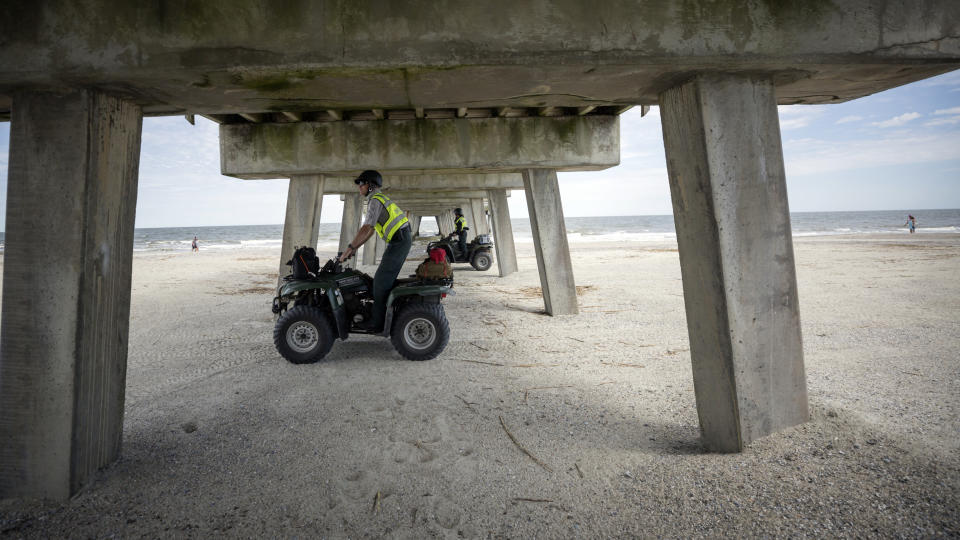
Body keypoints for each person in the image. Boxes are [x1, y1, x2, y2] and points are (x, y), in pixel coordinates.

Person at [338, 170, 412, 332]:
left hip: (400, 241)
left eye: (361, 183)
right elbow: (370, 231)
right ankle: (380, 314)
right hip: (398, 240)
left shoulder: (375, 201)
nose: (359, 187)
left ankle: (377, 323)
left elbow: (367, 227)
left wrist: (349, 249)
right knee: (378, 280)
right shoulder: (377, 199)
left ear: (370, 185)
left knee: (380, 283)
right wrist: (354, 248)